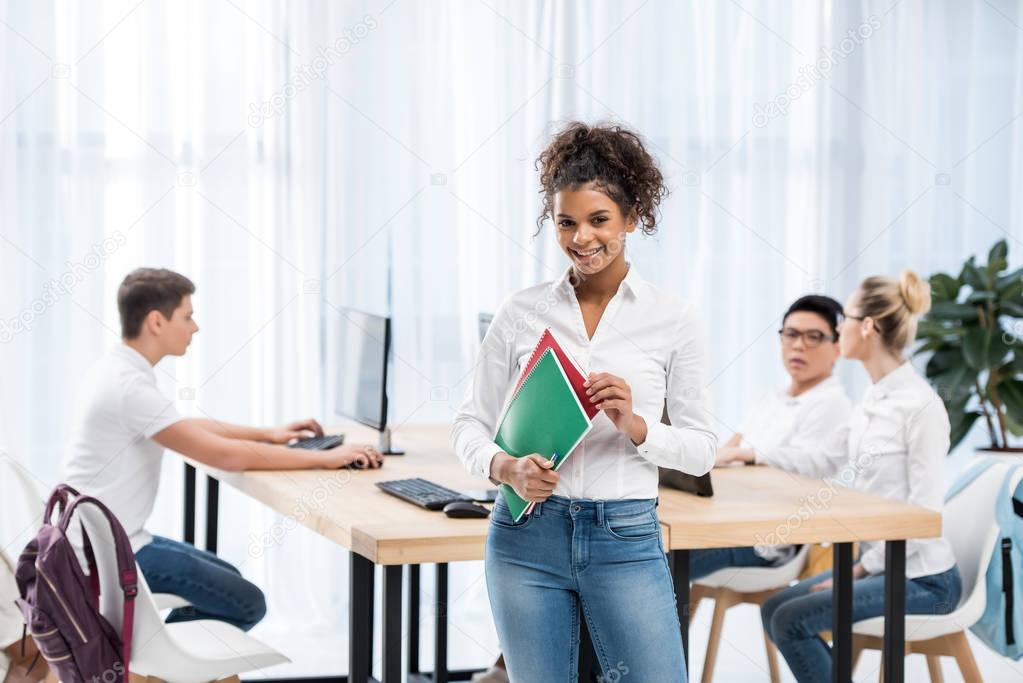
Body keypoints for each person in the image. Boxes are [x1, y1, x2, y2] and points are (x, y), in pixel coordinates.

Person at [452, 122, 716, 682]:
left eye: (599, 220)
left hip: (625, 537)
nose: (581, 238)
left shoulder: (673, 318)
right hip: (526, 538)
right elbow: (468, 424)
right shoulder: (521, 311)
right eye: (566, 222)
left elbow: (701, 452)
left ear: (632, 218)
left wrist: (638, 425)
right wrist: (505, 467)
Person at [62, 268, 383, 631]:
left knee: (228, 576)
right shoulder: (127, 386)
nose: (194, 327)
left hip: (101, 543)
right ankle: (164, 668)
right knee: (247, 602)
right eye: (187, 316)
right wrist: (326, 459)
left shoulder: (119, 370)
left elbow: (183, 428)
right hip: (106, 558)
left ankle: (166, 661)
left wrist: (270, 435)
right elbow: (223, 456)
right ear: (156, 321)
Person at [760, 270, 963, 682]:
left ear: (867, 327)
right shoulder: (874, 397)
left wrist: (859, 569)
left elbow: (923, 517)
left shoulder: (920, 407)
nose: (838, 329)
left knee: (791, 620)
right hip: (880, 566)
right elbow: (827, 459)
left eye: (845, 319)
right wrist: (751, 453)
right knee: (774, 608)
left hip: (923, 579)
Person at [690, 295, 852, 579]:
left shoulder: (833, 403)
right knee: (646, 544)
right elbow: (728, 448)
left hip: (767, 540)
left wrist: (747, 454)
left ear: (837, 346)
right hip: (732, 518)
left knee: (661, 560)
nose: (799, 345)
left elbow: (812, 466)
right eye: (791, 334)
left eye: (813, 337)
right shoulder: (771, 397)